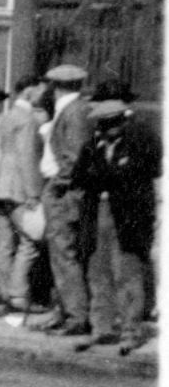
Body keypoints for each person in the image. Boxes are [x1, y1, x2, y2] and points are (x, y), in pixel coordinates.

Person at [69, 93, 158, 354]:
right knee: (98, 272)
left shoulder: (138, 144)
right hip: (97, 213)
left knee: (127, 273)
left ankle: (131, 331)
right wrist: (104, 176)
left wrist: (102, 176)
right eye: (104, 124)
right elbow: (79, 176)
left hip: (127, 218)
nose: (109, 129)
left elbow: (132, 176)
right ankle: (101, 328)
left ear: (123, 121)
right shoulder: (92, 147)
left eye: (114, 123)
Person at [37, 62, 95, 336]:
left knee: (65, 254)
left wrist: (56, 185)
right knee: (61, 254)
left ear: (55, 86)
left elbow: (74, 157)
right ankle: (64, 310)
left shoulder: (74, 111)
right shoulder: (72, 109)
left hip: (64, 193)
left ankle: (75, 316)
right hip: (62, 190)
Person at [0, 79, 43, 317]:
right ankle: (17, 294)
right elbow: (27, 157)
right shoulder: (27, 119)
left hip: (2, 186)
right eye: (40, 89)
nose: (42, 94)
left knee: (5, 242)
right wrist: (33, 192)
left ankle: (7, 292)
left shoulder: (7, 117)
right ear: (29, 90)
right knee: (29, 241)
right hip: (19, 187)